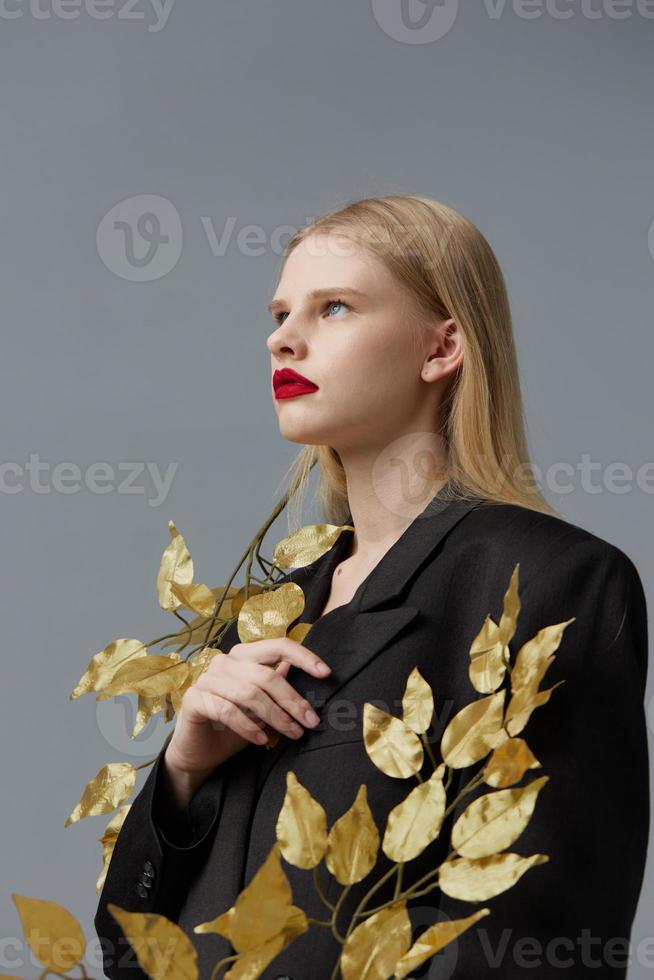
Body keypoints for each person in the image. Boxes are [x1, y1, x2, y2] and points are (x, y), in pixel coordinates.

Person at [95, 195, 649, 979]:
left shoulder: (553, 583)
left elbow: (549, 938)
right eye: (281, 312)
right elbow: (131, 951)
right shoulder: (260, 623)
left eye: (335, 308)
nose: (283, 337)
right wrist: (183, 773)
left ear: (442, 347)